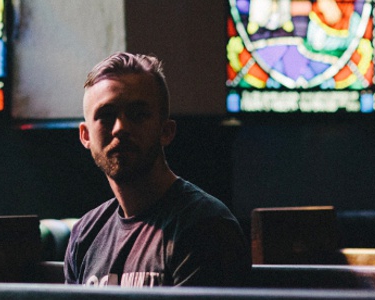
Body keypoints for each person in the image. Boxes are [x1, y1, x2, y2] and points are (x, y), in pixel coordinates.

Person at [64, 52, 250, 287]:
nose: (120, 128)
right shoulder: (85, 234)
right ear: (85, 135)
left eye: (138, 115)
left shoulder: (205, 226)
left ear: (166, 131)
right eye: (106, 115)